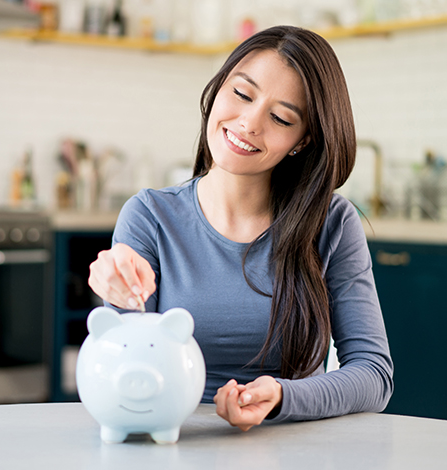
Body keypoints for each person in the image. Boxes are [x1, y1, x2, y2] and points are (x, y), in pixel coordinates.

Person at [88, 25, 393, 431]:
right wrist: (116, 289)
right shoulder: (149, 216)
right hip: (175, 440)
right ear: (218, 89)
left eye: (281, 118)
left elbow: (374, 375)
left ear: (302, 141)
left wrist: (283, 397)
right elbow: (126, 363)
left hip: (300, 446)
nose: (249, 122)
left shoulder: (332, 223)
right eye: (242, 94)